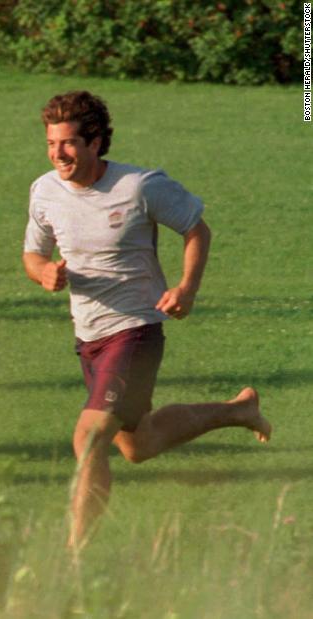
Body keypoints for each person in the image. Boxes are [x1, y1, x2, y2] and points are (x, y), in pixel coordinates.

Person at [21, 91, 272, 550]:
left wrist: (186, 289)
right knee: (139, 445)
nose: (59, 154)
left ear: (97, 142)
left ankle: (77, 559)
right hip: (88, 336)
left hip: (135, 331)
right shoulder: (44, 191)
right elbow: (33, 254)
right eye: (52, 144)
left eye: (70, 143)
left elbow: (197, 228)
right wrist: (44, 273)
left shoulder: (139, 186)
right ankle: (239, 410)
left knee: (91, 438)